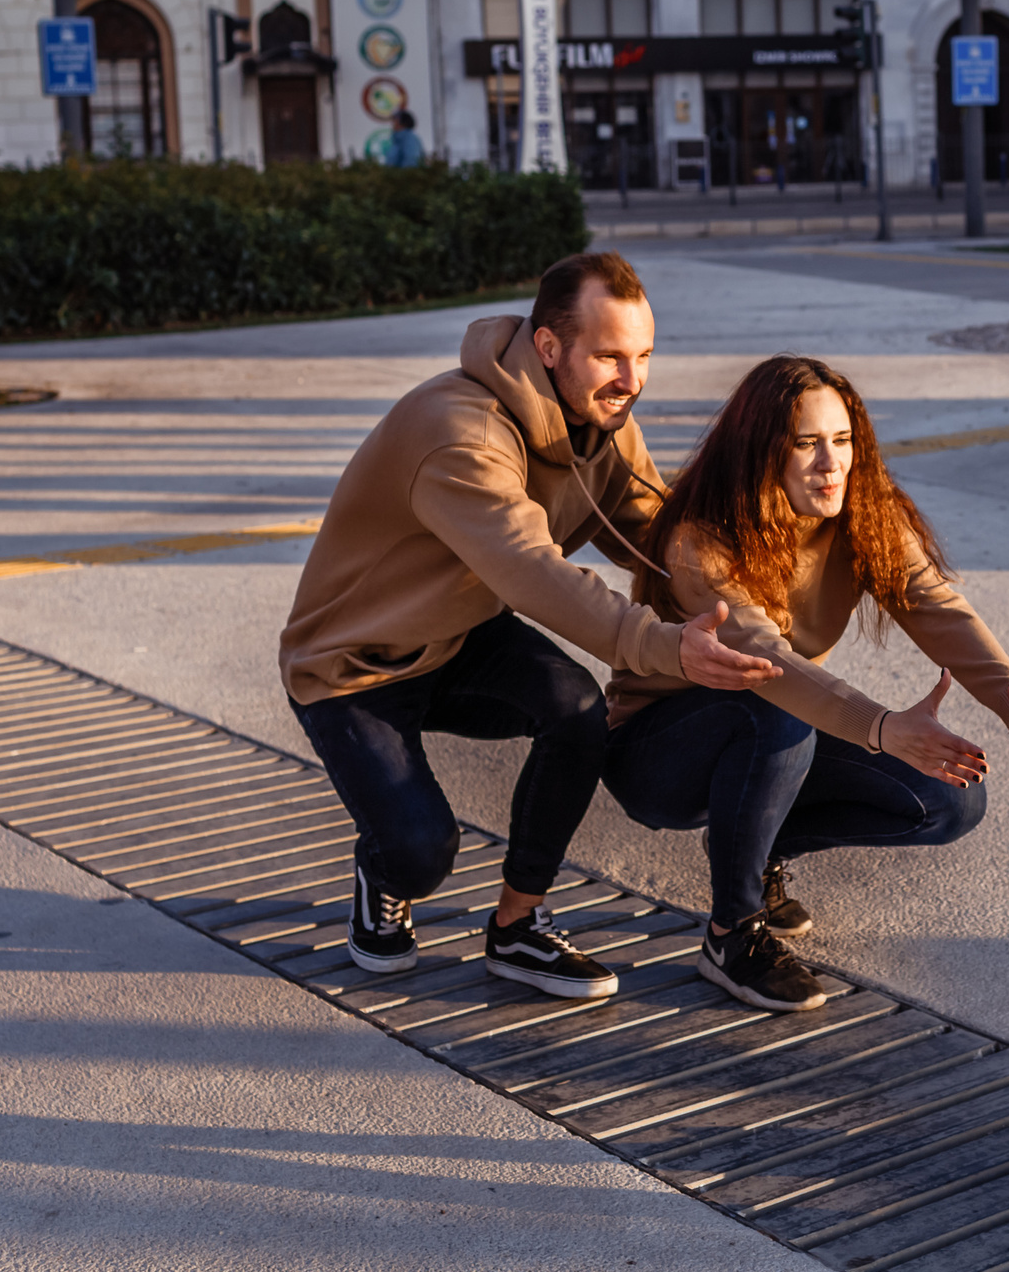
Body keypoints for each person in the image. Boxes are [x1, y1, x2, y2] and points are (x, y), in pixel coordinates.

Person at [279, 251, 780, 997]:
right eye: (610, 355)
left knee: (576, 709)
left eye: (643, 354)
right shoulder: (460, 432)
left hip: (459, 636)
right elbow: (536, 573)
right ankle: (382, 864)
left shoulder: (603, 420)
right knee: (423, 851)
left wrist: (747, 600)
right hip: (356, 666)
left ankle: (518, 925)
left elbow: (653, 527)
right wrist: (665, 644)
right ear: (549, 348)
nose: (632, 378)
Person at [595, 355, 1009, 1012]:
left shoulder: (861, 512)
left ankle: (754, 843)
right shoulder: (701, 540)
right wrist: (885, 728)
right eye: (806, 444)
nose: (831, 464)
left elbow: (932, 604)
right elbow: (763, 659)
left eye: (842, 440)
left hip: (780, 723)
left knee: (948, 800)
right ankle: (732, 933)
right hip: (660, 753)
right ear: (758, 452)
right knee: (771, 709)